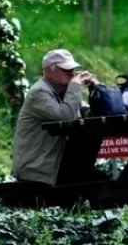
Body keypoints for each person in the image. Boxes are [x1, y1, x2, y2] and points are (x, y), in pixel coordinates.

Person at [11, 48, 99, 185]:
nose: (71, 73)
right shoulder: (39, 92)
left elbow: (87, 114)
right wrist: (75, 85)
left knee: (91, 139)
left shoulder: (63, 91)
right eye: (66, 69)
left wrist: (96, 88)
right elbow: (66, 116)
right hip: (37, 169)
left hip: (54, 163)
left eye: (72, 69)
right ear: (48, 72)